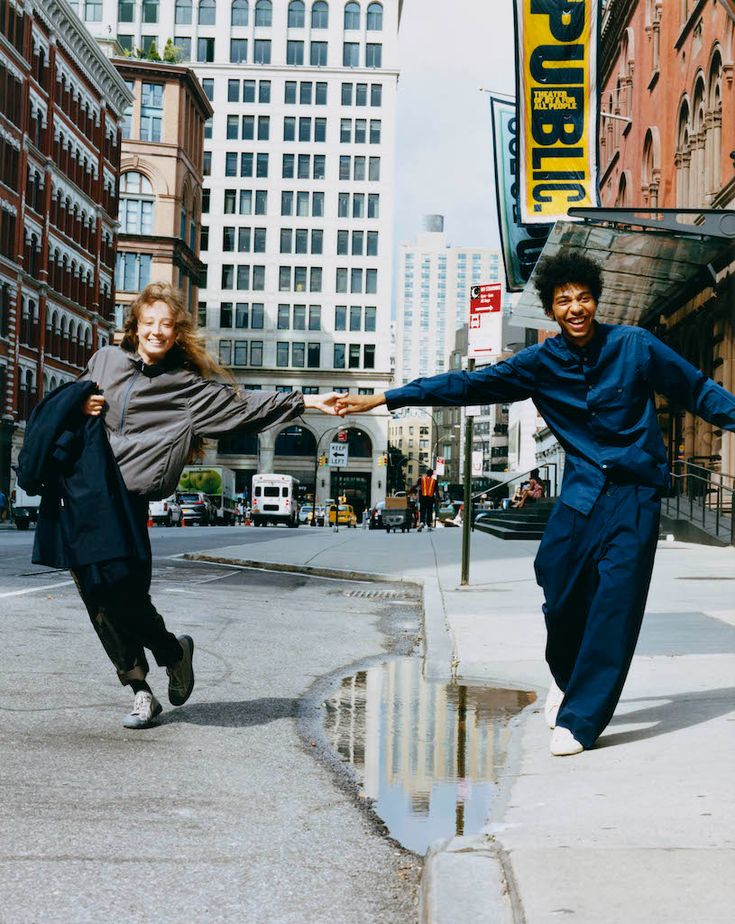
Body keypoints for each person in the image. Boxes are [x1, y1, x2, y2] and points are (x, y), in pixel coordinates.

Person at [336, 250, 735, 757]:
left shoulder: (635, 345)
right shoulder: (540, 364)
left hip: (635, 495)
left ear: (596, 301)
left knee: (617, 602)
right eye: (564, 300)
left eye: (584, 298)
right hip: (583, 493)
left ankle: (582, 721)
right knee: (557, 582)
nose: (576, 308)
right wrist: (385, 399)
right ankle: (567, 676)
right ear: (551, 309)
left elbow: (698, 390)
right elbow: (467, 385)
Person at [45, 283, 340, 730]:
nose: (156, 331)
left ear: (176, 332)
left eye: (165, 324)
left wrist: (308, 400)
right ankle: (142, 691)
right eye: (149, 323)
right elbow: (72, 403)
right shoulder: (105, 360)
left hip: (128, 504)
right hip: (87, 497)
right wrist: (82, 402)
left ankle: (172, 651)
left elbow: (244, 407)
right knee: (98, 600)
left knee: (125, 594)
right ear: (135, 326)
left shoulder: (185, 389)